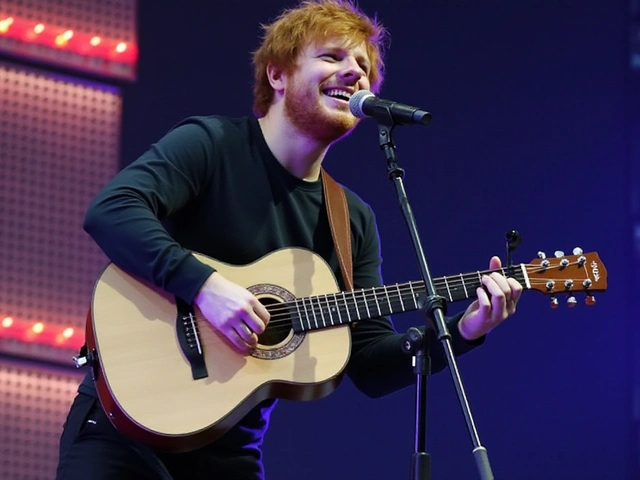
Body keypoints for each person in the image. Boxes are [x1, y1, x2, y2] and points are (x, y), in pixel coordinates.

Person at [55, 1, 523, 479]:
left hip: (229, 452)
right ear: (277, 75)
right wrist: (204, 287)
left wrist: (465, 330)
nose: (353, 73)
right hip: (125, 431)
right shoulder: (212, 144)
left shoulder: (351, 220)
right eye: (332, 57)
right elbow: (112, 211)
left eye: (363, 66)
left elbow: (369, 361)